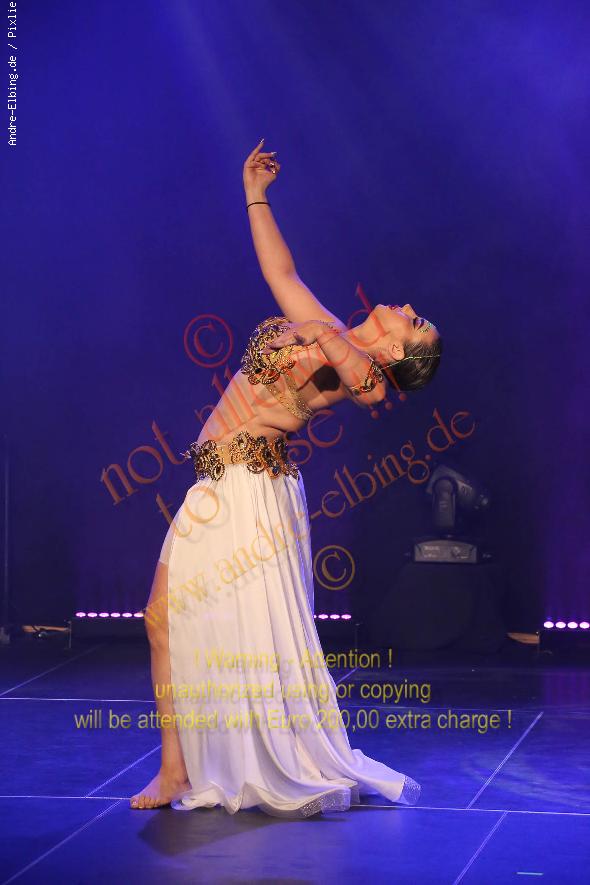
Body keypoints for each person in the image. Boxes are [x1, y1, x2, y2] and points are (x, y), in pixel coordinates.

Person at [130, 140, 442, 814]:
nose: (406, 307)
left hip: (249, 491)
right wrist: (255, 194)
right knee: (160, 620)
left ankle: (186, 767)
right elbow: (281, 269)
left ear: (396, 350)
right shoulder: (333, 332)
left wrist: (323, 334)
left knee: (168, 618)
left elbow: (366, 385)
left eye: (414, 324)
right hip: (219, 482)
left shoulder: (362, 371)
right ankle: (175, 768)